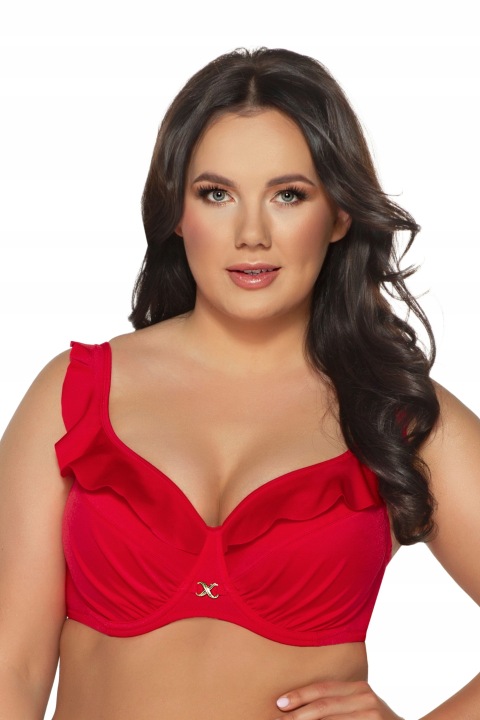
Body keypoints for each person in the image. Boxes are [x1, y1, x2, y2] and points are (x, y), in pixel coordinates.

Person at [0, 46, 479, 720]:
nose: (252, 234)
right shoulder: (74, 393)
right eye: (217, 194)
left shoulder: (395, 415)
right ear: (177, 211)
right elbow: (13, 671)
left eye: (289, 195)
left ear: (340, 215)